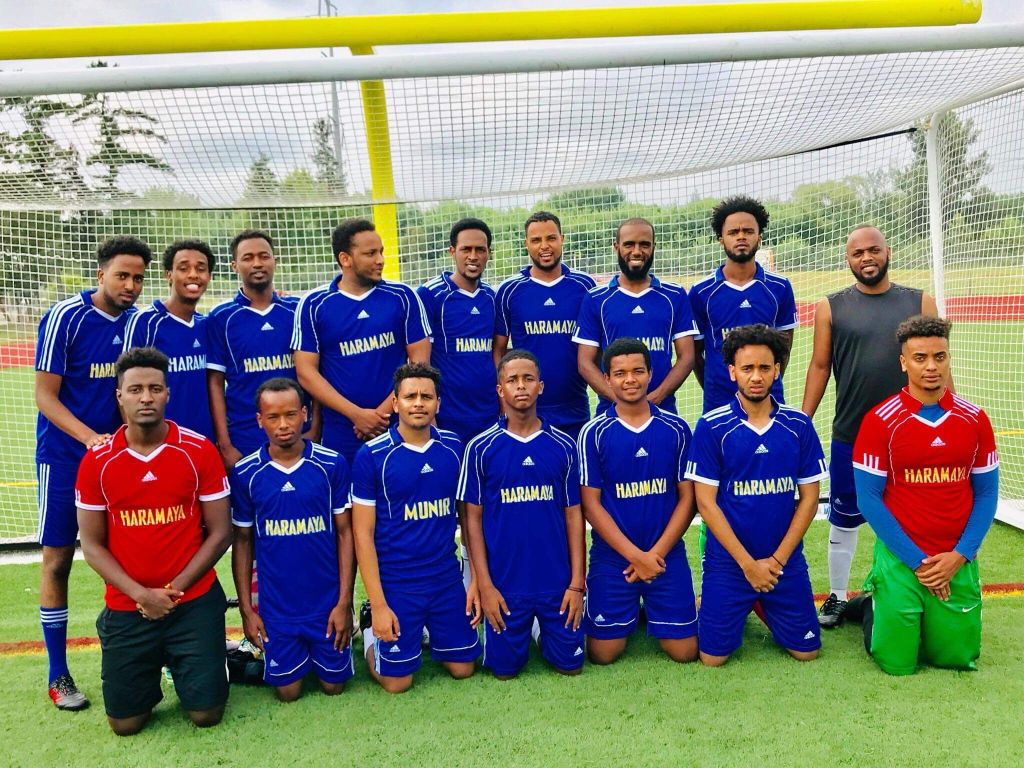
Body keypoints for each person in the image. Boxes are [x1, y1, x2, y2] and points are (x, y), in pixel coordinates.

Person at [75, 347, 232, 735]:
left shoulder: (197, 450)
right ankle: (158, 664)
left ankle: (196, 663)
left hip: (192, 602)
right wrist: (142, 596)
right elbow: (92, 545)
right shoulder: (97, 461)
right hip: (129, 605)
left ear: (167, 394)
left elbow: (221, 532)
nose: (146, 397)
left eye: (155, 389)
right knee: (125, 724)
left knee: (206, 715)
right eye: (135, 390)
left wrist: (172, 592)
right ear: (120, 396)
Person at [801, 225, 940, 628]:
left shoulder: (919, 301)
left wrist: (949, 415)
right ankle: (837, 597)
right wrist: (801, 422)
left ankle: (904, 592)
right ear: (848, 259)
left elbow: (937, 363)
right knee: (844, 517)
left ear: (887, 251)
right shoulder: (831, 307)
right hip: (853, 434)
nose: (867, 258)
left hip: (910, 434)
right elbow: (820, 366)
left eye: (873, 250)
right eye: (857, 253)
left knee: (909, 517)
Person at [35, 235, 151, 711]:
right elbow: (44, 396)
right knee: (58, 560)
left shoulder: (139, 323)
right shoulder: (67, 317)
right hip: (66, 457)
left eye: (138, 278)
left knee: (135, 556)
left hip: (119, 460)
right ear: (101, 273)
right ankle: (58, 673)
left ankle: (148, 656)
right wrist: (89, 439)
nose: (130, 285)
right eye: (122, 275)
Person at [853, 316, 998, 675]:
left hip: (956, 558)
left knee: (955, 660)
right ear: (904, 363)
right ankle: (872, 606)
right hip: (903, 560)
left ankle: (919, 613)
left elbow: (986, 494)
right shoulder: (879, 421)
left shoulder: (975, 419)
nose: (931, 366)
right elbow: (868, 499)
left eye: (939, 356)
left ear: (949, 358)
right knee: (897, 664)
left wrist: (960, 556)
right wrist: (918, 563)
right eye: (920, 358)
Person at [686, 325, 827, 666]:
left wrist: (775, 562)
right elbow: (705, 503)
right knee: (712, 658)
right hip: (730, 563)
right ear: (732, 372)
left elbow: (809, 499)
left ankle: (762, 602)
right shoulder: (712, 426)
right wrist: (749, 566)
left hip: (783, 563)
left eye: (764, 367)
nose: (756, 376)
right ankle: (739, 600)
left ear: (777, 369)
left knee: (807, 652)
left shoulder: (798, 425)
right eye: (747, 368)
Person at [352, 363, 481, 693]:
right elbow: (362, 535)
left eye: (427, 396)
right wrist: (379, 605)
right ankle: (370, 629)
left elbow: (468, 520)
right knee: (397, 684)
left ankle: (426, 630)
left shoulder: (453, 447)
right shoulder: (372, 456)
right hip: (397, 582)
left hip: (445, 579)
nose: (419, 403)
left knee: (463, 669)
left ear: (439, 403)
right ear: (396, 403)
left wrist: (475, 581)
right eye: (410, 397)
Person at [458, 350, 586, 678]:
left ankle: (541, 630)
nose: (521, 386)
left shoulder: (564, 446)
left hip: (557, 584)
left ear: (540, 386)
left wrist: (576, 584)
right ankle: (527, 627)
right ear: (500, 389)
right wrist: (484, 586)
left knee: (570, 666)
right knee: (504, 671)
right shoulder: (480, 448)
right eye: (512, 380)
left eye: (528, 379)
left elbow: (574, 516)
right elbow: (472, 521)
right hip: (504, 586)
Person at [230, 377, 355, 700]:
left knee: (334, 687)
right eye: (273, 417)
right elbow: (242, 542)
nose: (283, 425)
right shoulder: (246, 473)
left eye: (290, 415)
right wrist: (247, 611)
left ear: (304, 414)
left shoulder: (331, 464)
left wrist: (344, 603)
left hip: (326, 604)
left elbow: (346, 533)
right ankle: (242, 663)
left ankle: (360, 627)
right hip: (277, 610)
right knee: (288, 693)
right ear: (260, 420)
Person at [577, 338, 698, 665]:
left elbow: (688, 499)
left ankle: (651, 606)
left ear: (650, 374)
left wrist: (654, 555)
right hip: (613, 557)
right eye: (620, 373)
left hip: (665, 555)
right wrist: (635, 556)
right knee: (603, 654)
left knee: (685, 652)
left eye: (637, 371)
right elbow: (591, 505)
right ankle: (626, 606)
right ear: (606, 379)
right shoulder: (593, 433)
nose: (629, 379)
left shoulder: (676, 429)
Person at [293, 218, 431, 464]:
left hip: (397, 425)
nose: (380, 260)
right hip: (341, 431)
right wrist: (356, 415)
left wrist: (381, 414)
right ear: (345, 259)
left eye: (381, 252)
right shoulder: (313, 304)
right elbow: (306, 372)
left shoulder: (403, 296)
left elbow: (420, 363)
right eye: (370, 253)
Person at [207, 230, 313, 468]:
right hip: (245, 436)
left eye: (264, 256)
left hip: (299, 433)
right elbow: (215, 382)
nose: (257, 263)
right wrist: (225, 444)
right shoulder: (221, 317)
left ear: (275, 260)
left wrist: (315, 429)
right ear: (234, 265)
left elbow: (316, 373)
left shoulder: (298, 310)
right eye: (248, 258)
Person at [574, 218, 697, 415]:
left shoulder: (675, 295)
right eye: (629, 244)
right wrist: (622, 401)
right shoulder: (596, 298)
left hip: (662, 411)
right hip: (611, 413)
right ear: (616, 247)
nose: (637, 251)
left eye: (644, 244)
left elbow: (687, 357)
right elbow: (585, 363)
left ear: (654, 247)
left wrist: (655, 398)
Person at [689, 197, 798, 413]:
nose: (741, 236)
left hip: (769, 403)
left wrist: (766, 383)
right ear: (721, 240)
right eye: (733, 232)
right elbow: (695, 356)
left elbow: (783, 349)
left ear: (759, 238)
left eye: (748, 231)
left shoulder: (780, 287)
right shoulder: (701, 292)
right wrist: (715, 386)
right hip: (718, 404)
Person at [494, 211, 596, 439]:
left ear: (562, 239)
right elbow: (498, 351)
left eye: (551, 238)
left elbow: (596, 345)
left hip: (575, 407)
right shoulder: (509, 290)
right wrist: (504, 402)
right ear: (526, 244)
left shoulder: (585, 285)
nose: (544, 246)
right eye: (536, 240)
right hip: (525, 410)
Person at [125, 239, 215, 441]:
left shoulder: (206, 325)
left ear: (209, 276)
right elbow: (126, 385)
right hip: (159, 441)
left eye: (201, 269)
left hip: (203, 441)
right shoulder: (145, 321)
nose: (193, 274)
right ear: (169, 275)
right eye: (183, 268)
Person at [417, 218, 498, 443]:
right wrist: (430, 418)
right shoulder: (429, 295)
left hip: (489, 416)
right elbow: (420, 362)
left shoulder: (492, 297)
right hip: (447, 417)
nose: (473, 256)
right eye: (466, 249)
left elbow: (497, 353)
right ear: (452, 251)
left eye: (480, 250)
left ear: (489, 253)